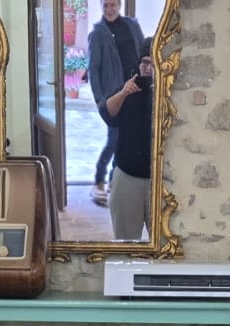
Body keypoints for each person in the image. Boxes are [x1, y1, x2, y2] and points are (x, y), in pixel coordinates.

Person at [85, 0, 142, 207]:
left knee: (127, 139)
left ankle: (113, 181)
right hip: (113, 96)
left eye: (113, 5)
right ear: (101, 7)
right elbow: (93, 69)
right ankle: (99, 180)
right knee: (114, 139)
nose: (110, 9)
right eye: (106, 5)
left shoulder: (132, 25)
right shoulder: (97, 33)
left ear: (120, 5)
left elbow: (142, 53)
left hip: (134, 91)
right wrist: (100, 100)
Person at [104, 40, 153, 240]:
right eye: (144, 63)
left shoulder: (169, 92)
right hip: (127, 176)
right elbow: (108, 112)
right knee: (125, 243)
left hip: (160, 180)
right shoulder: (129, 86)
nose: (147, 68)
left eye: (153, 64)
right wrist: (124, 93)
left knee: (165, 246)